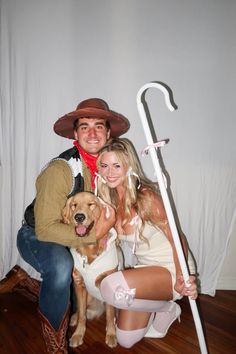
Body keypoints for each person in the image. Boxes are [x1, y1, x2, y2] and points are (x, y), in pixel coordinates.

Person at [0, 99, 130, 353]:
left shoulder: (111, 169)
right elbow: (46, 229)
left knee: (71, 285)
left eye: (98, 126)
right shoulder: (60, 170)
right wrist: (97, 233)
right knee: (61, 268)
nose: (92, 133)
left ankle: (25, 282)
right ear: (75, 134)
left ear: (108, 132)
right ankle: (56, 345)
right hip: (37, 235)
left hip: (78, 237)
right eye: (84, 127)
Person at [95, 138, 198, 348]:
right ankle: (166, 309)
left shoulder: (147, 197)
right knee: (125, 340)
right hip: (146, 270)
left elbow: (177, 238)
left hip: (171, 267)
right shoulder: (110, 202)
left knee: (111, 288)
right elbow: (96, 238)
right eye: (104, 166)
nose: (109, 172)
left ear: (129, 166)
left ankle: (166, 307)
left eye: (117, 165)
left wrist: (182, 276)